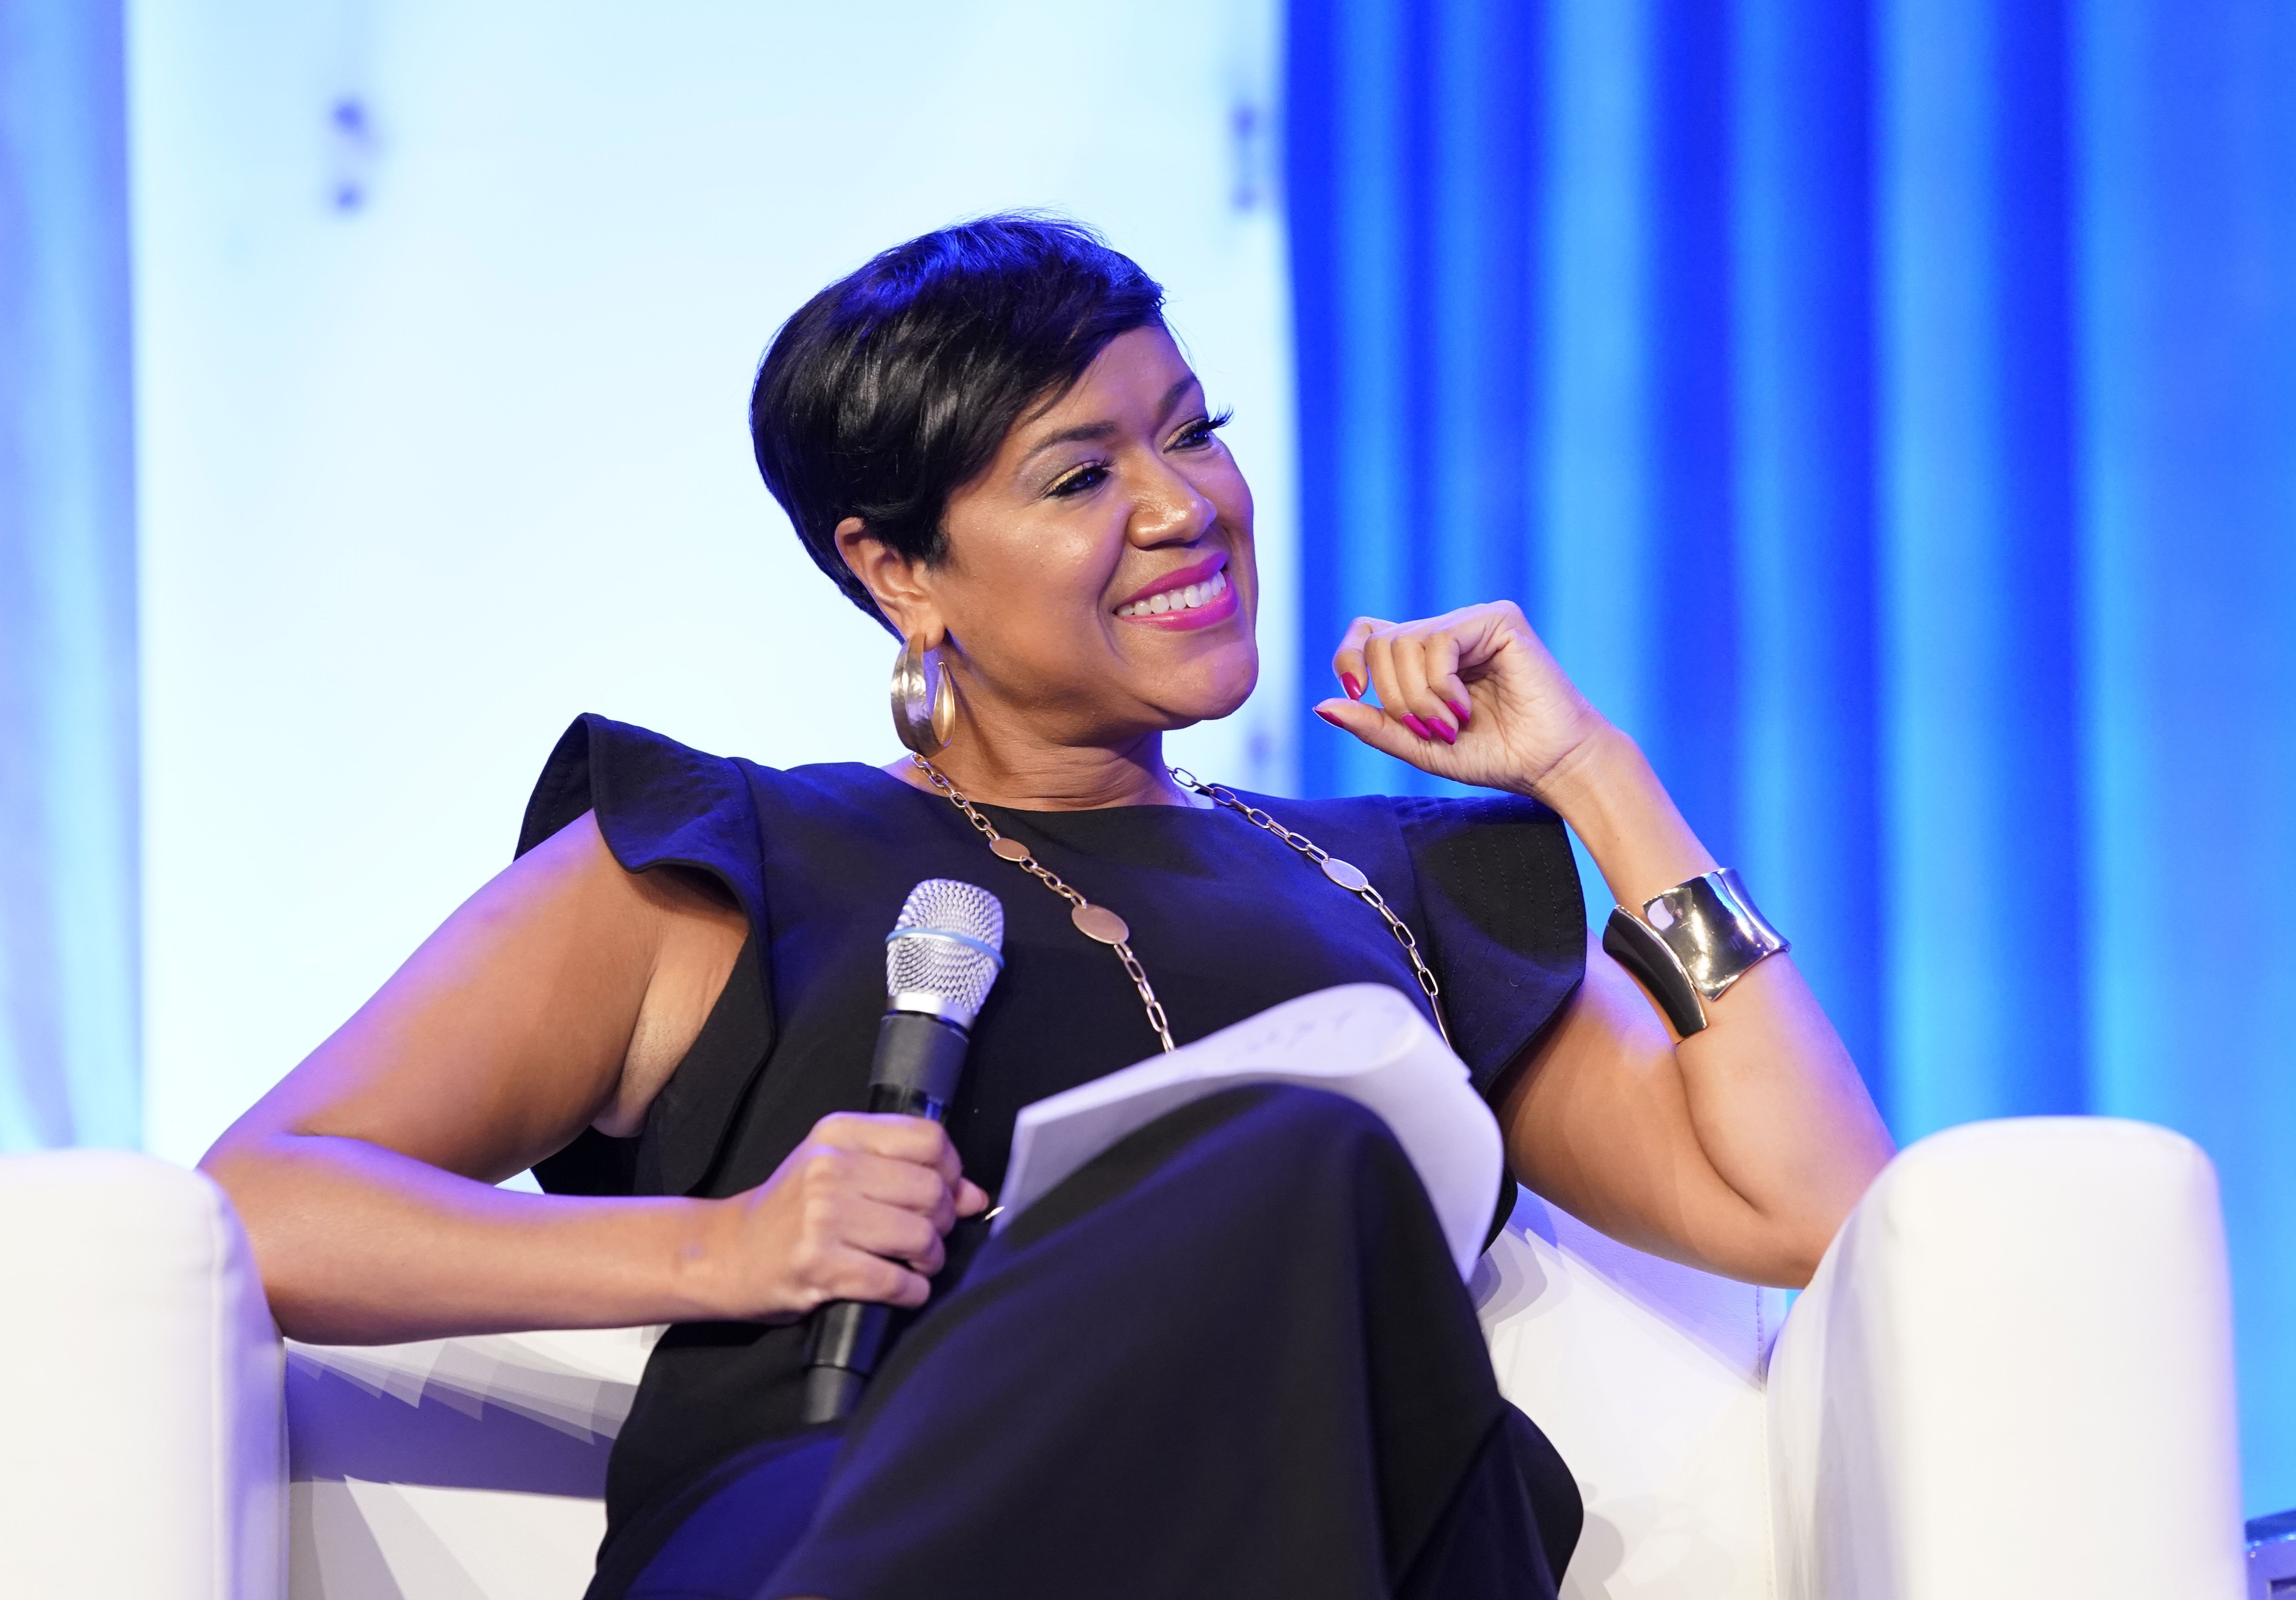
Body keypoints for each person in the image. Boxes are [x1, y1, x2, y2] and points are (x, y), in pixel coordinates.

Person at [201, 215, 1894, 1600]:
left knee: (1349, 1236)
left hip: (1295, 1540)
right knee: (1307, 1156)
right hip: (851, 1516)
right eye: (1080, 477)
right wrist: (720, 1247)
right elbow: (262, 1203)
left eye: (1194, 432)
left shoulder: (1396, 880)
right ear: (901, 572)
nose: (1184, 507)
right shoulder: (726, 861)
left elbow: (1812, 1207)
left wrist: (1599, 779)